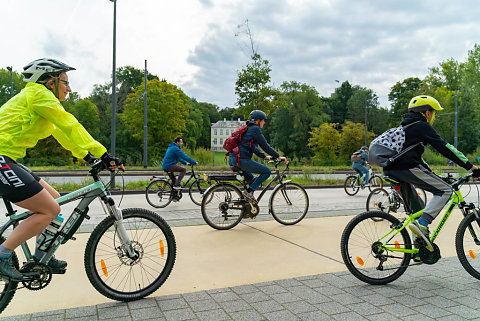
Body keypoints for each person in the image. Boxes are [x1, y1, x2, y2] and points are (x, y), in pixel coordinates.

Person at [0, 58, 123, 281]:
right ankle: (2, 255)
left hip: (8, 158)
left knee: (55, 201)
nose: (69, 88)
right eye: (65, 82)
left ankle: (41, 256)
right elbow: (71, 123)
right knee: (50, 210)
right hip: (1, 159)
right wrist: (103, 154)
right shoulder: (38, 95)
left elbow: (63, 133)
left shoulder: (40, 102)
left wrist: (87, 156)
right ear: (50, 82)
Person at [383, 95, 479, 254]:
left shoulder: (408, 129)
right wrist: (471, 167)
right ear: (427, 113)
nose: (434, 117)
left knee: (417, 209)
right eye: (434, 113)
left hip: (391, 170)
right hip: (405, 169)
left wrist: (435, 176)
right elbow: (445, 148)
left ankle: (420, 252)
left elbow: (418, 160)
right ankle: (422, 224)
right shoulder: (421, 126)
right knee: (446, 190)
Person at [228, 110, 287, 203]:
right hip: (241, 160)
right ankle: (249, 192)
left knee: (252, 181)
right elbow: (265, 146)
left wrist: (264, 157)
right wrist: (278, 156)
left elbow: (253, 147)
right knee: (267, 172)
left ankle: (247, 206)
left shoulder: (248, 128)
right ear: (258, 120)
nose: (264, 122)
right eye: (263, 120)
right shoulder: (255, 129)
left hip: (233, 159)